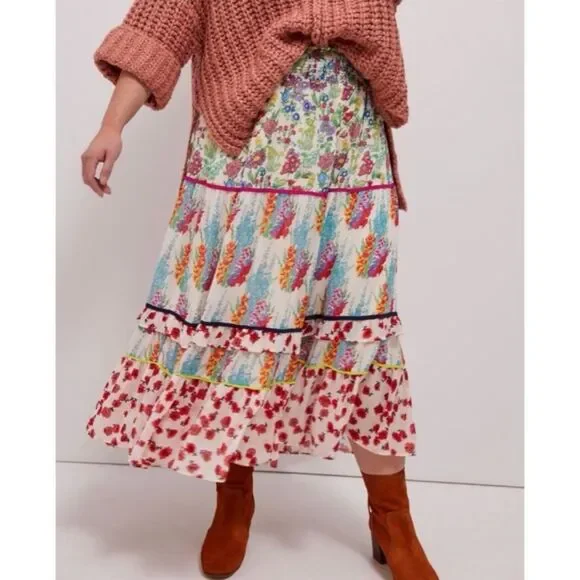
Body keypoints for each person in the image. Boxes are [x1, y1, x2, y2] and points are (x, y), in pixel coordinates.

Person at [82, 1, 438, 578]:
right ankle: (234, 498)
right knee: (236, 335)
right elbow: (159, 27)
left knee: (363, 334)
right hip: (247, 154)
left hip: (350, 154)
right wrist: (111, 125)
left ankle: (392, 518)